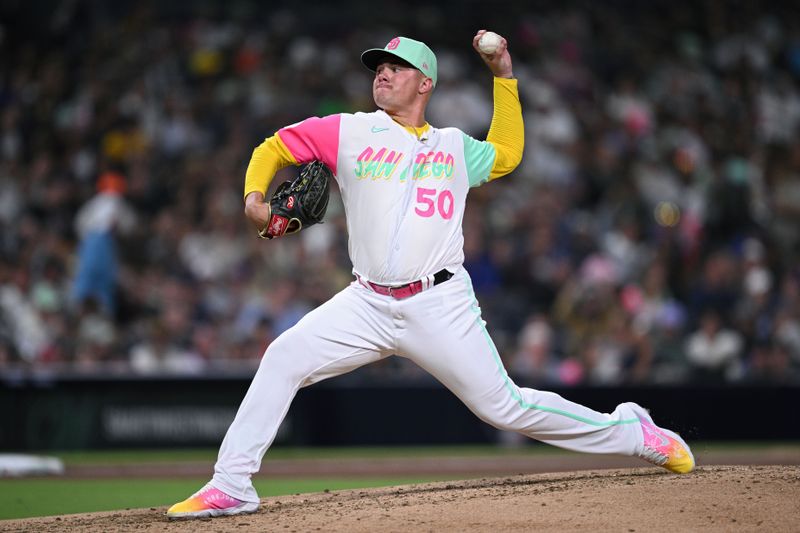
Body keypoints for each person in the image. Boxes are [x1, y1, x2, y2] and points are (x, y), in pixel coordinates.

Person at [167, 31, 695, 520]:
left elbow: (508, 154)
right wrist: (254, 199)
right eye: (378, 66)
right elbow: (275, 147)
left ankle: (631, 432)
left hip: (439, 304)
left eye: (396, 67)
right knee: (283, 356)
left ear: (426, 83)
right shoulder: (348, 130)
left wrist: (504, 76)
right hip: (366, 302)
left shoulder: (453, 146)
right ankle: (232, 484)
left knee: (505, 407)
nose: (382, 73)